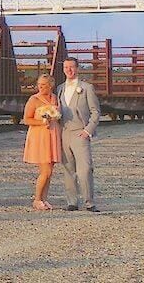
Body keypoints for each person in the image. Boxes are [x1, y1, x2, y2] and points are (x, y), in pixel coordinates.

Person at [56, 57, 101, 212]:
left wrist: (88, 130)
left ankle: (89, 202)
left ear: (78, 68)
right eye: (66, 67)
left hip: (80, 132)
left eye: (72, 67)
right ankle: (72, 202)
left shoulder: (87, 88)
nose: (69, 70)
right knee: (68, 168)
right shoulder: (60, 88)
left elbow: (95, 111)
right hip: (64, 132)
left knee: (85, 168)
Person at [22, 73, 62, 211]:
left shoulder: (54, 98)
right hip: (40, 137)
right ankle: (37, 199)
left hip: (52, 135)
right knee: (45, 171)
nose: (41, 87)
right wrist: (42, 121)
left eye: (44, 85)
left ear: (50, 85)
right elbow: (27, 119)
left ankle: (44, 199)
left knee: (50, 171)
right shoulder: (34, 99)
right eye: (39, 84)